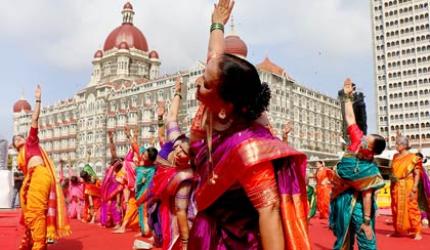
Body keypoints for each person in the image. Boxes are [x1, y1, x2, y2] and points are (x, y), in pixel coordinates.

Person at [187, 1, 311, 249]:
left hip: (234, 240)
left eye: (206, 83)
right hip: (205, 230)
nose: (198, 82)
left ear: (225, 107)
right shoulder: (214, 107)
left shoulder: (250, 148)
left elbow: (270, 209)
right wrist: (217, 23)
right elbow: (214, 56)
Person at [135, 77, 195, 250]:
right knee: (146, 206)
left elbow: (181, 211)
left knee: (176, 216)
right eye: (180, 149)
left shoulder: (185, 176)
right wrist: (178, 91)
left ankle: (183, 243)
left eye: (185, 154)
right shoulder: (175, 141)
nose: (180, 154)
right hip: (156, 188)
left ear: (191, 158)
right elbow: (172, 116)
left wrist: (185, 244)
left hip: (173, 198)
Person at [329, 78, 386, 250]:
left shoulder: (370, 169)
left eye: (366, 140)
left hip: (359, 204)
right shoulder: (356, 140)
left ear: (371, 150)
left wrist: (367, 221)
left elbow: (367, 195)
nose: (362, 139)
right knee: (343, 238)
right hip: (341, 198)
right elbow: (350, 118)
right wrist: (347, 98)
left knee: (366, 239)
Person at [13, 85, 70, 250]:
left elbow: (34, 119)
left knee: (36, 211)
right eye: (15, 139)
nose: (18, 137)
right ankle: (34, 241)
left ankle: (39, 245)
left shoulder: (31, 142)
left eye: (19, 136)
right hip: (30, 180)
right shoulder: (20, 158)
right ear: (15, 145)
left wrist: (38, 99)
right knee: (29, 213)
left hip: (40, 175)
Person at [389, 135, 429, 240]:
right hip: (396, 185)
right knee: (395, 207)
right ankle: (398, 230)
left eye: (397, 143)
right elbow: (393, 171)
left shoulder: (413, 158)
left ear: (403, 145)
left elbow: (417, 174)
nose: (395, 145)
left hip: (409, 185)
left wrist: (415, 187)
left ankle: (416, 232)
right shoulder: (395, 156)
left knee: (412, 207)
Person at [100, 131, 123, 228]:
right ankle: (107, 222)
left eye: (115, 162)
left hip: (115, 191)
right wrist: (111, 138)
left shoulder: (120, 173)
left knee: (115, 205)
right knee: (106, 206)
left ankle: (117, 222)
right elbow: (113, 150)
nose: (113, 161)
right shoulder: (110, 169)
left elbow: (119, 188)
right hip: (107, 191)